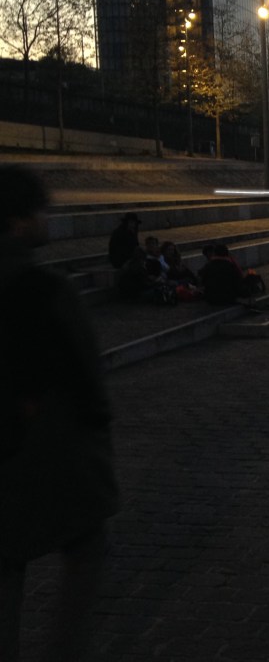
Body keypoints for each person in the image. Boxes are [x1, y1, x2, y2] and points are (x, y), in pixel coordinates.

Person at [0, 165, 119, 661]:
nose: (47, 218)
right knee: (85, 552)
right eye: (40, 211)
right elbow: (86, 379)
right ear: (18, 221)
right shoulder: (47, 289)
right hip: (51, 458)